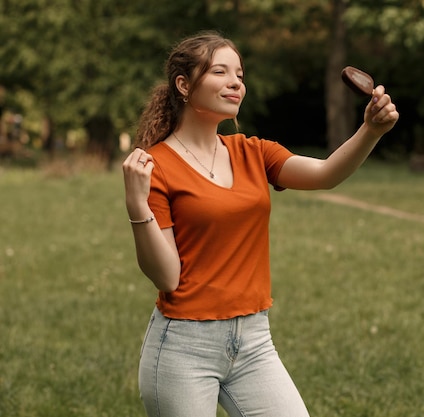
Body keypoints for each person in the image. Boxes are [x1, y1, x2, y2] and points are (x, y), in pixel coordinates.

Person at [122, 30, 399, 417]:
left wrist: (370, 131)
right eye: (220, 71)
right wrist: (138, 205)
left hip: (252, 342)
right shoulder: (156, 166)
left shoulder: (253, 151)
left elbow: (325, 173)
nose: (236, 82)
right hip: (184, 345)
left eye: (240, 73)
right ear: (183, 85)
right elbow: (167, 278)